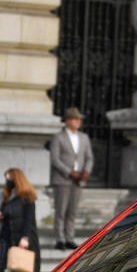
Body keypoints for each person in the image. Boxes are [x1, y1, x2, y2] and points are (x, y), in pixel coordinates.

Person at [49, 107, 93, 250]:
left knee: (72, 211)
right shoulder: (58, 137)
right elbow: (55, 159)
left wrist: (86, 170)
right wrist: (69, 172)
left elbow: (89, 158)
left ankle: (69, 237)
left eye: (79, 119)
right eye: (75, 119)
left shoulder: (84, 138)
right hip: (63, 179)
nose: (78, 122)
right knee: (61, 210)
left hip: (79, 179)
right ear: (68, 121)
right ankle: (59, 238)